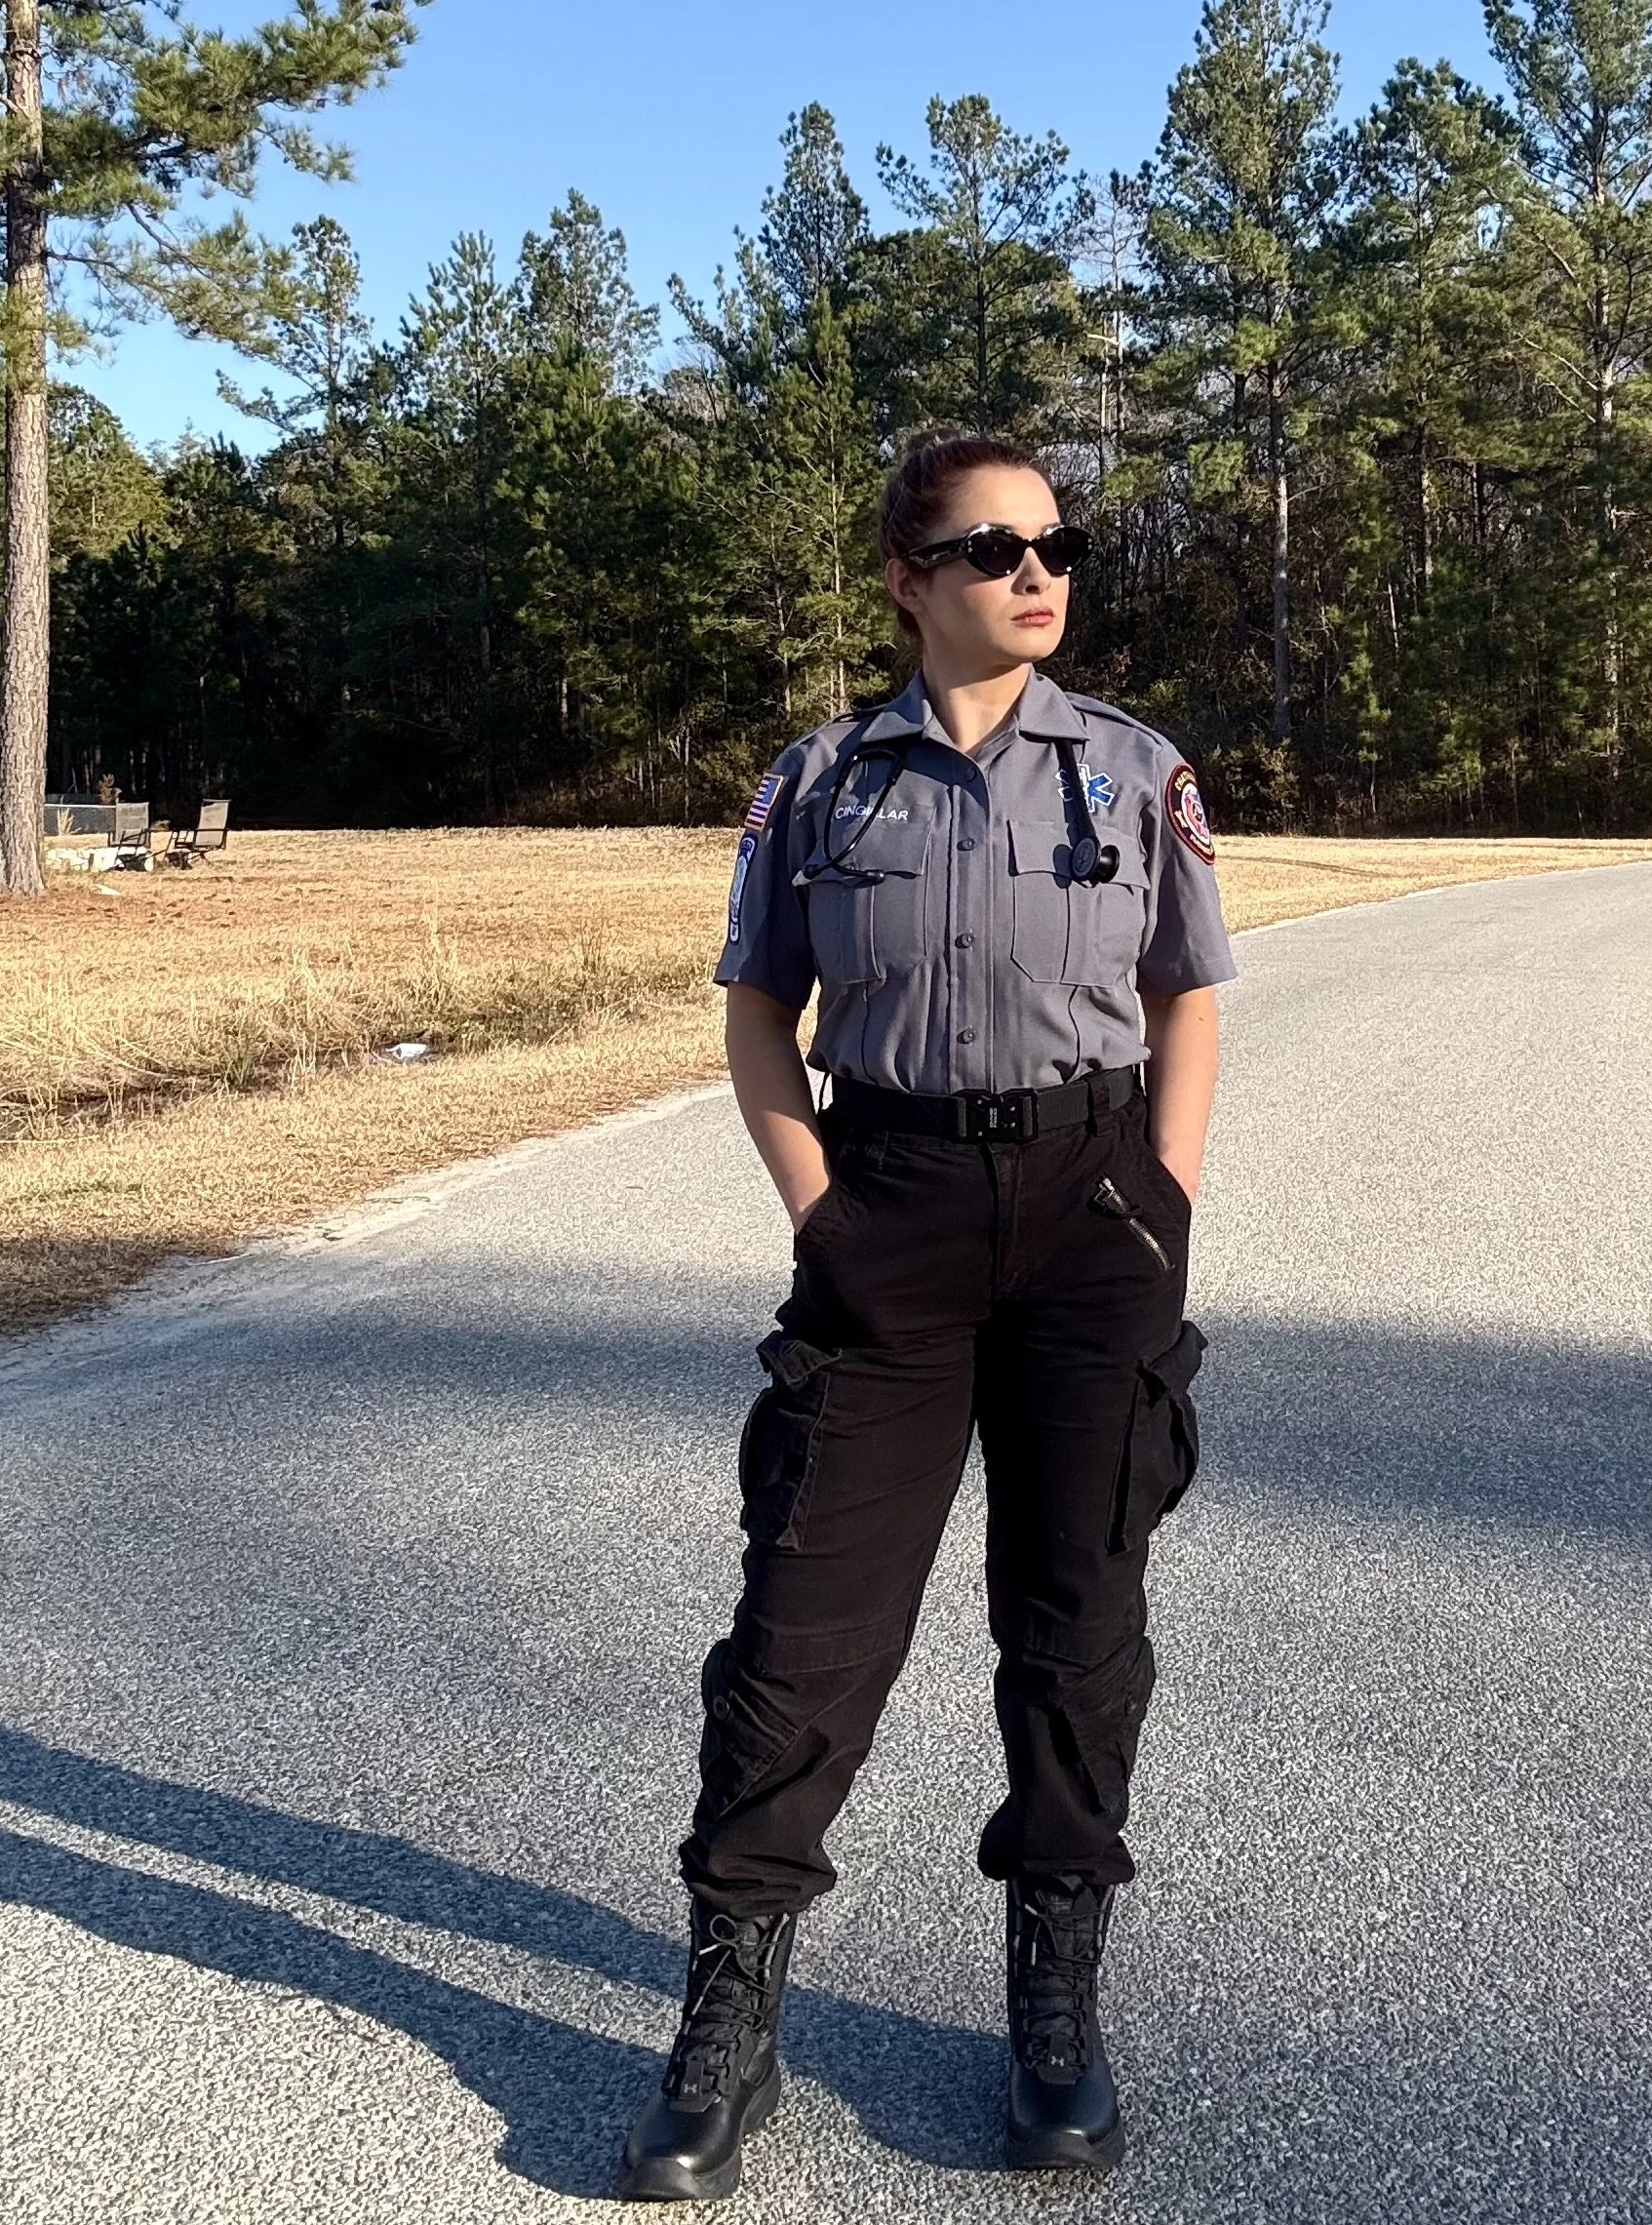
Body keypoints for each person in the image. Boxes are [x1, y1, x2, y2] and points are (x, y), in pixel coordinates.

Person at [615, 429, 1236, 2202]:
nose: (1035, 571)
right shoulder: (822, 785)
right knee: (803, 1625)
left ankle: (1054, 2005)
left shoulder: (1132, 772)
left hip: (1088, 1211)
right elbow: (760, 1011)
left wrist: (1163, 1201)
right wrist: (824, 1212)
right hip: (885, 1212)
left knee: (1076, 1622)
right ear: (906, 575)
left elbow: (1188, 992)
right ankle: (730, 2018)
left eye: (1055, 542)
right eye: (990, 547)